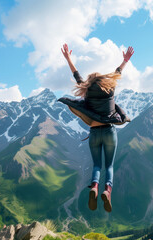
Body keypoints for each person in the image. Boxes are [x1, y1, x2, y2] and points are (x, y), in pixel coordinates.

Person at [58, 43, 134, 212]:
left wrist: (69, 59)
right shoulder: (110, 88)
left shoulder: (86, 90)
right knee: (109, 166)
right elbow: (117, 73)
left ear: (90, 81)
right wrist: (125, 61)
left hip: (94, 132)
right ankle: (107, 191)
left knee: (97, 165)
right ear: (102, 80)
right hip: (109, 131)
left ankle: (94, 187)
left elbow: (76, 75)